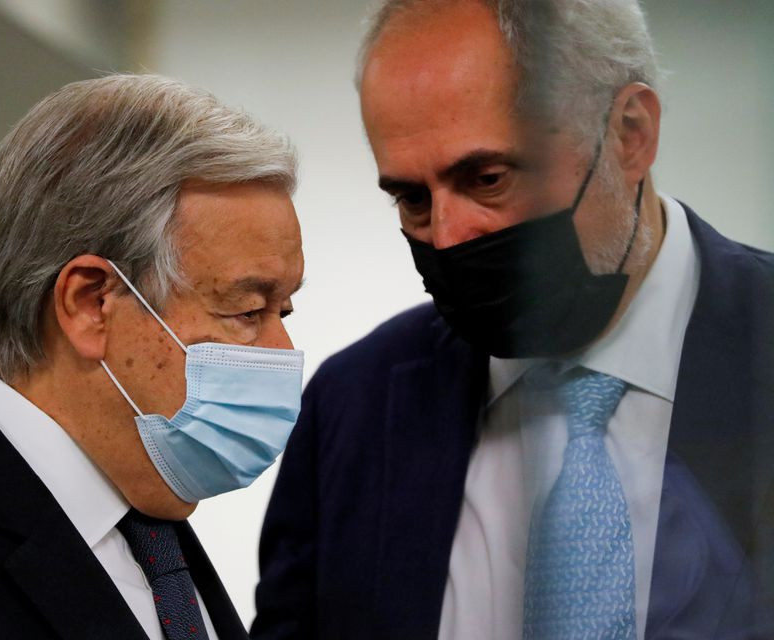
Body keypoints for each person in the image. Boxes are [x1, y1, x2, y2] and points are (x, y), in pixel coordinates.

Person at [253, 1, 774, 638]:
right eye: (413, 199)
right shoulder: (351, 407)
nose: (447, 238)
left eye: (489, 178)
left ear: (629, 134)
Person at [0, 74, 305, 639]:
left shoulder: (151, 530)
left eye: (283, 313)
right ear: (90, 303)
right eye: (247, 310)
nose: (281, 352)